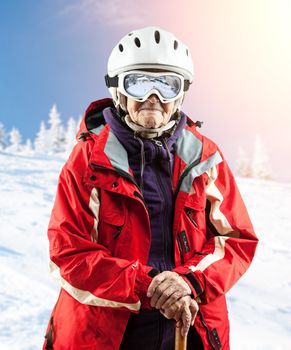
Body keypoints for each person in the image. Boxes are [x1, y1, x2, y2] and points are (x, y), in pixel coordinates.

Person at [43, 26, 258, 350]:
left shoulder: (205, 158)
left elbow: (236, 240)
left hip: (189, 328)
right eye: (139, 83)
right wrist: (149, 285)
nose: (153, 98)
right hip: (107, 334)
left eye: (166, 85)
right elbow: (68, 252)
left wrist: (188, 281)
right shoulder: (88, 160)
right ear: (119, 90)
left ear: (181, 93)